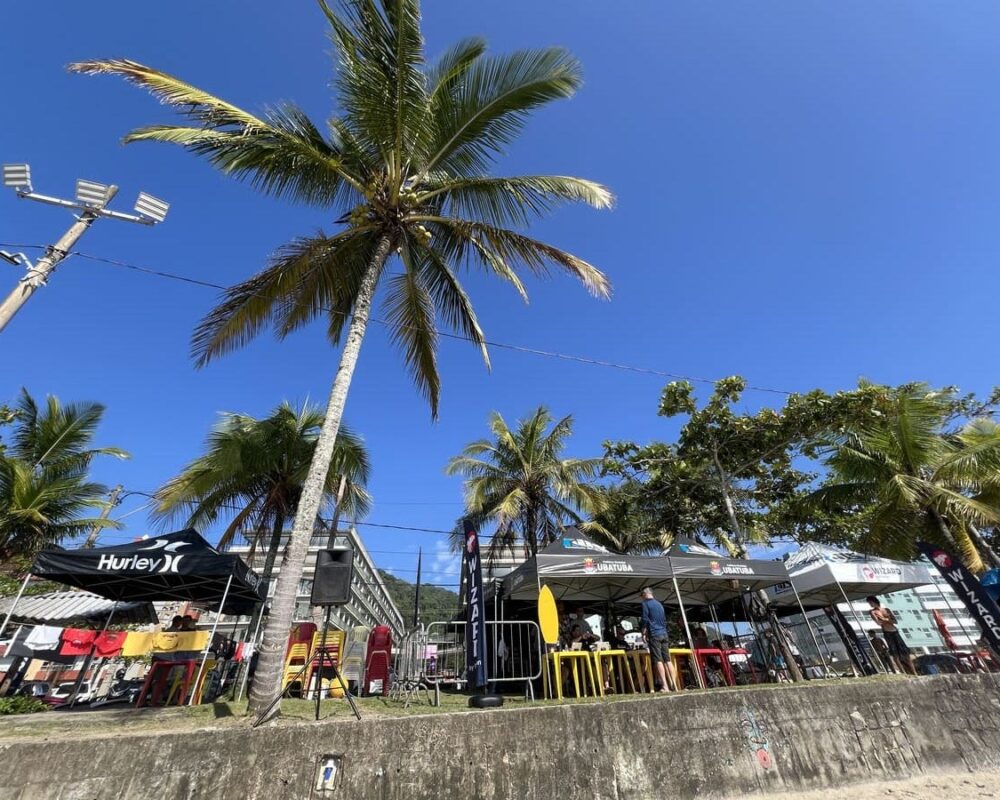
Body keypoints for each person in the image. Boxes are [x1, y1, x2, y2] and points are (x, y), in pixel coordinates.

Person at [866, 596, 915, 675]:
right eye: (869, 603)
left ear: (875, 601)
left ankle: (914, 672)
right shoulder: (872, 612)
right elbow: (878, 623)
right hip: (887, 632)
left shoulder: (886, 610)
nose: (870, 604)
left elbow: (895, 621)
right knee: (895, 654)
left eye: (871, 602)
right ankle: (903, 673)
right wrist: (886, 620)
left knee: (905, 653)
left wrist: (885, 619)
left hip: (895, 631)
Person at [640, 588, 675, 692]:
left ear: (645, 594)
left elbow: (645, 619)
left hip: (654, 634)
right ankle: (675, 685)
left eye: (641, 595)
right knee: (668, 660)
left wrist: (643, 632)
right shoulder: (659, 604)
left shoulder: (645, 604)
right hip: (664, 633)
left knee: (658, 660)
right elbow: (664, 619)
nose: (641, 597)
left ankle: (665, 686)